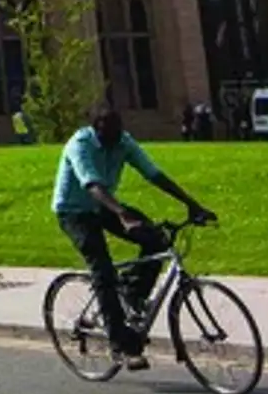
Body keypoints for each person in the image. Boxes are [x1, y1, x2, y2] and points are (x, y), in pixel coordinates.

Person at [53, 98, 216, 370]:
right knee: (103, 271)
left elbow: (154, 174)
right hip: (74, 212)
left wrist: (192, 204)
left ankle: (132, 293)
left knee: (157, 240)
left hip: (104, 205)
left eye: (119, 131)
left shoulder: (123, 142)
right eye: (110, 133)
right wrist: (121, 213)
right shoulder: (79, 145)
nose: (116, 139)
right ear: (96, 129)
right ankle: (121, 345)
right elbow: (92, 185)